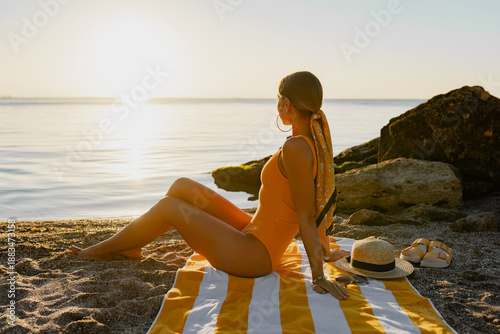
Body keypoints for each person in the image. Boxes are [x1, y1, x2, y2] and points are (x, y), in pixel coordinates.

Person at [67, 71, 350, 300]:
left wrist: (319, 276)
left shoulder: (297, 148)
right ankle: (131, 246)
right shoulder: (306, 144)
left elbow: (307, 216)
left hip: (255, 256)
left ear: (286, 104)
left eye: (278, 99)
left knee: (169, 207)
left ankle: (103, 250)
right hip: (253, 230)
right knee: (181, 187)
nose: (277, 105)